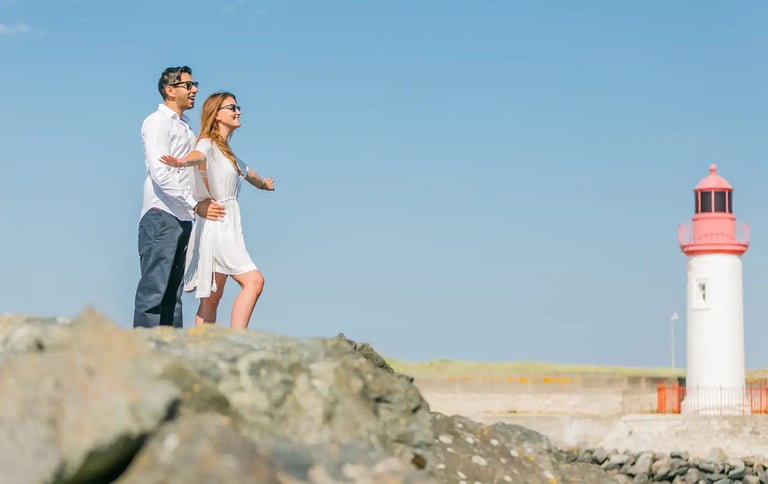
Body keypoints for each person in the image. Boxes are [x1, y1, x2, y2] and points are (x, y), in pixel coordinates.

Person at [159, 91, 275, 329]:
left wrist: (265, 185)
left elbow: (249, 173)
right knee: (254, 281)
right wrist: (182, 162)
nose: (238, 111)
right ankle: (236, 344)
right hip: (218, 224)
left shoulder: (229, 155)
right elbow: (197, 155)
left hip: (227, 227)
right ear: (217, 115)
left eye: (237, 107)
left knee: (212, 298)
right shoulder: (208, 143)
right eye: (232, 108)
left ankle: (199, 355)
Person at [133, 66, 226, 329]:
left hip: (183, 217)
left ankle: (169, 353)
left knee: (173, 294)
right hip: (161, 214)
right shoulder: (157, 122)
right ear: (170, 90)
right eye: (189, 85)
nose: (195, 89)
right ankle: (143, 353)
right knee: (154, 289)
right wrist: (196, 203)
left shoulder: (186, 129)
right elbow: (160, 172)